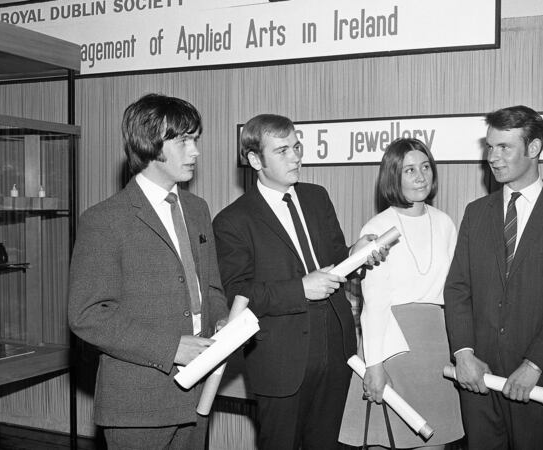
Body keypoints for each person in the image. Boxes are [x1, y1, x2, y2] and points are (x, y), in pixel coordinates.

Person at [212, 113, 385, 450]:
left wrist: (357, 253)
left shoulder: (317, 196)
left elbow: (336, 260)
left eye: (296, 146)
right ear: (253, 159)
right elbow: (238, 294)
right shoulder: (233, 221)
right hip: (281, 364)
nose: (295, 156)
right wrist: (300, 288)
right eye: (282, 151)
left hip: (337, 354)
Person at [67, 94, 229, 449]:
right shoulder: (104, 220)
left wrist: (222, 324)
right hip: (137, 405)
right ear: (149, 141)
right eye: (184, 139)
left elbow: (211, 288)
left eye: (195, 139)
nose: (195, 151)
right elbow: (87, 315)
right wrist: (171, 348)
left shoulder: (198, 208)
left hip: (198, 397)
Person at [443, 105, 543, 449]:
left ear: (535, 148)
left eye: (504, 147)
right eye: (489, 147)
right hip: (477, 381)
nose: (492, 157)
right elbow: (458, 289)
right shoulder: (475, 213)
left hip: (536, 385)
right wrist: (463, 354)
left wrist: (535, 364)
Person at [338, 138, 464, 449]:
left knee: (435, 440)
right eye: (409, 170)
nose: (421, 176)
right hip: (391, 346)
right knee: (388, 440)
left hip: (436, 346)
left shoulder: (445, 223)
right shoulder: (377, 226)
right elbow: (376, 303)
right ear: (393, 176)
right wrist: (375, 365)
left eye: (425, 167)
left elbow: (457, 292)